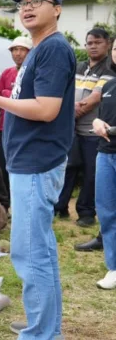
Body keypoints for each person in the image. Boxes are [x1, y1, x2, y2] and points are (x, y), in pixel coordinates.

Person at [0, 0, 76, 340]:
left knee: (30, 252)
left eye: (37, 2)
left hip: (37, 161)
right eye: (23, 3)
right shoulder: (40, 49)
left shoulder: (53, 49)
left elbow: (47, 109)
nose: (28, 8)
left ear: (57, 9)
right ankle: (49, 328)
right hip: (30, 160)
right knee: (41, 249)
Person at [55, 28, 114, 227]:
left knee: (91, 173)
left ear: (107, 44)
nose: (93, 46)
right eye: (89, 43)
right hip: (71, 128)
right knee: (68, 168)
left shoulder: (109, 69)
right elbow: (64, 89)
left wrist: (72, 110)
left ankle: (86, 212)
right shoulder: (79, 66)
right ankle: (60, 206)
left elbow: (95, 97)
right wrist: (67, 107)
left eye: (98, 42)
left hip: (94, 131)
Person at [0, 36, 33, 196]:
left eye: (22, 49)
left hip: (25, 128)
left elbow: (27, 97)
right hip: (5, 127)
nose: (17, 53)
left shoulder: (32, 72)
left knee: (20, 167)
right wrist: (7, 94)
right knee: (1, 164)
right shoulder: (7, 73)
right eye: (14, 50)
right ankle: (3, 201)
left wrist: (6, 94)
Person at [90, 41, 116, 289]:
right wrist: (97, 122)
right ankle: (114, 267)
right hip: (105, 154)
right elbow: (101, 116)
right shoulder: (108, 85)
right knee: (107, 213)